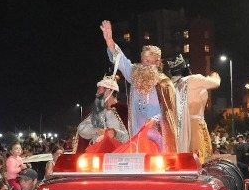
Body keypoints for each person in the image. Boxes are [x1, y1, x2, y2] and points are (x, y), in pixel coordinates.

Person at [100, 20, 180, 152]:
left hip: (157, 135)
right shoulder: (136, 75)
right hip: (138, 132)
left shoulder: (164, 84)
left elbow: (169, 112)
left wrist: (154, 121)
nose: (145, 65)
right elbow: (122, 61)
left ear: (157, 62)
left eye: (149, 62)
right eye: (143, 61)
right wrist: (110, 41)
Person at [167, 54, 221, 161]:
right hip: (196, 126)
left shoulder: (172, 85)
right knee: (199, 160)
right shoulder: (193, 79)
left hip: (179, 128)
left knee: (185, 160)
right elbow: (216, 83)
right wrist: (214, 74)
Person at [76, 75, 129, 153]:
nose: (96, 93)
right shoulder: (97, 112)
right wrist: (96, 130)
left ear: (109, 91)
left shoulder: (123, 111)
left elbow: (128, 138)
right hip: (97, 157)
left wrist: (115, 133)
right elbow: (81, 129)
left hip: (118, 157)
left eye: (99, 90)